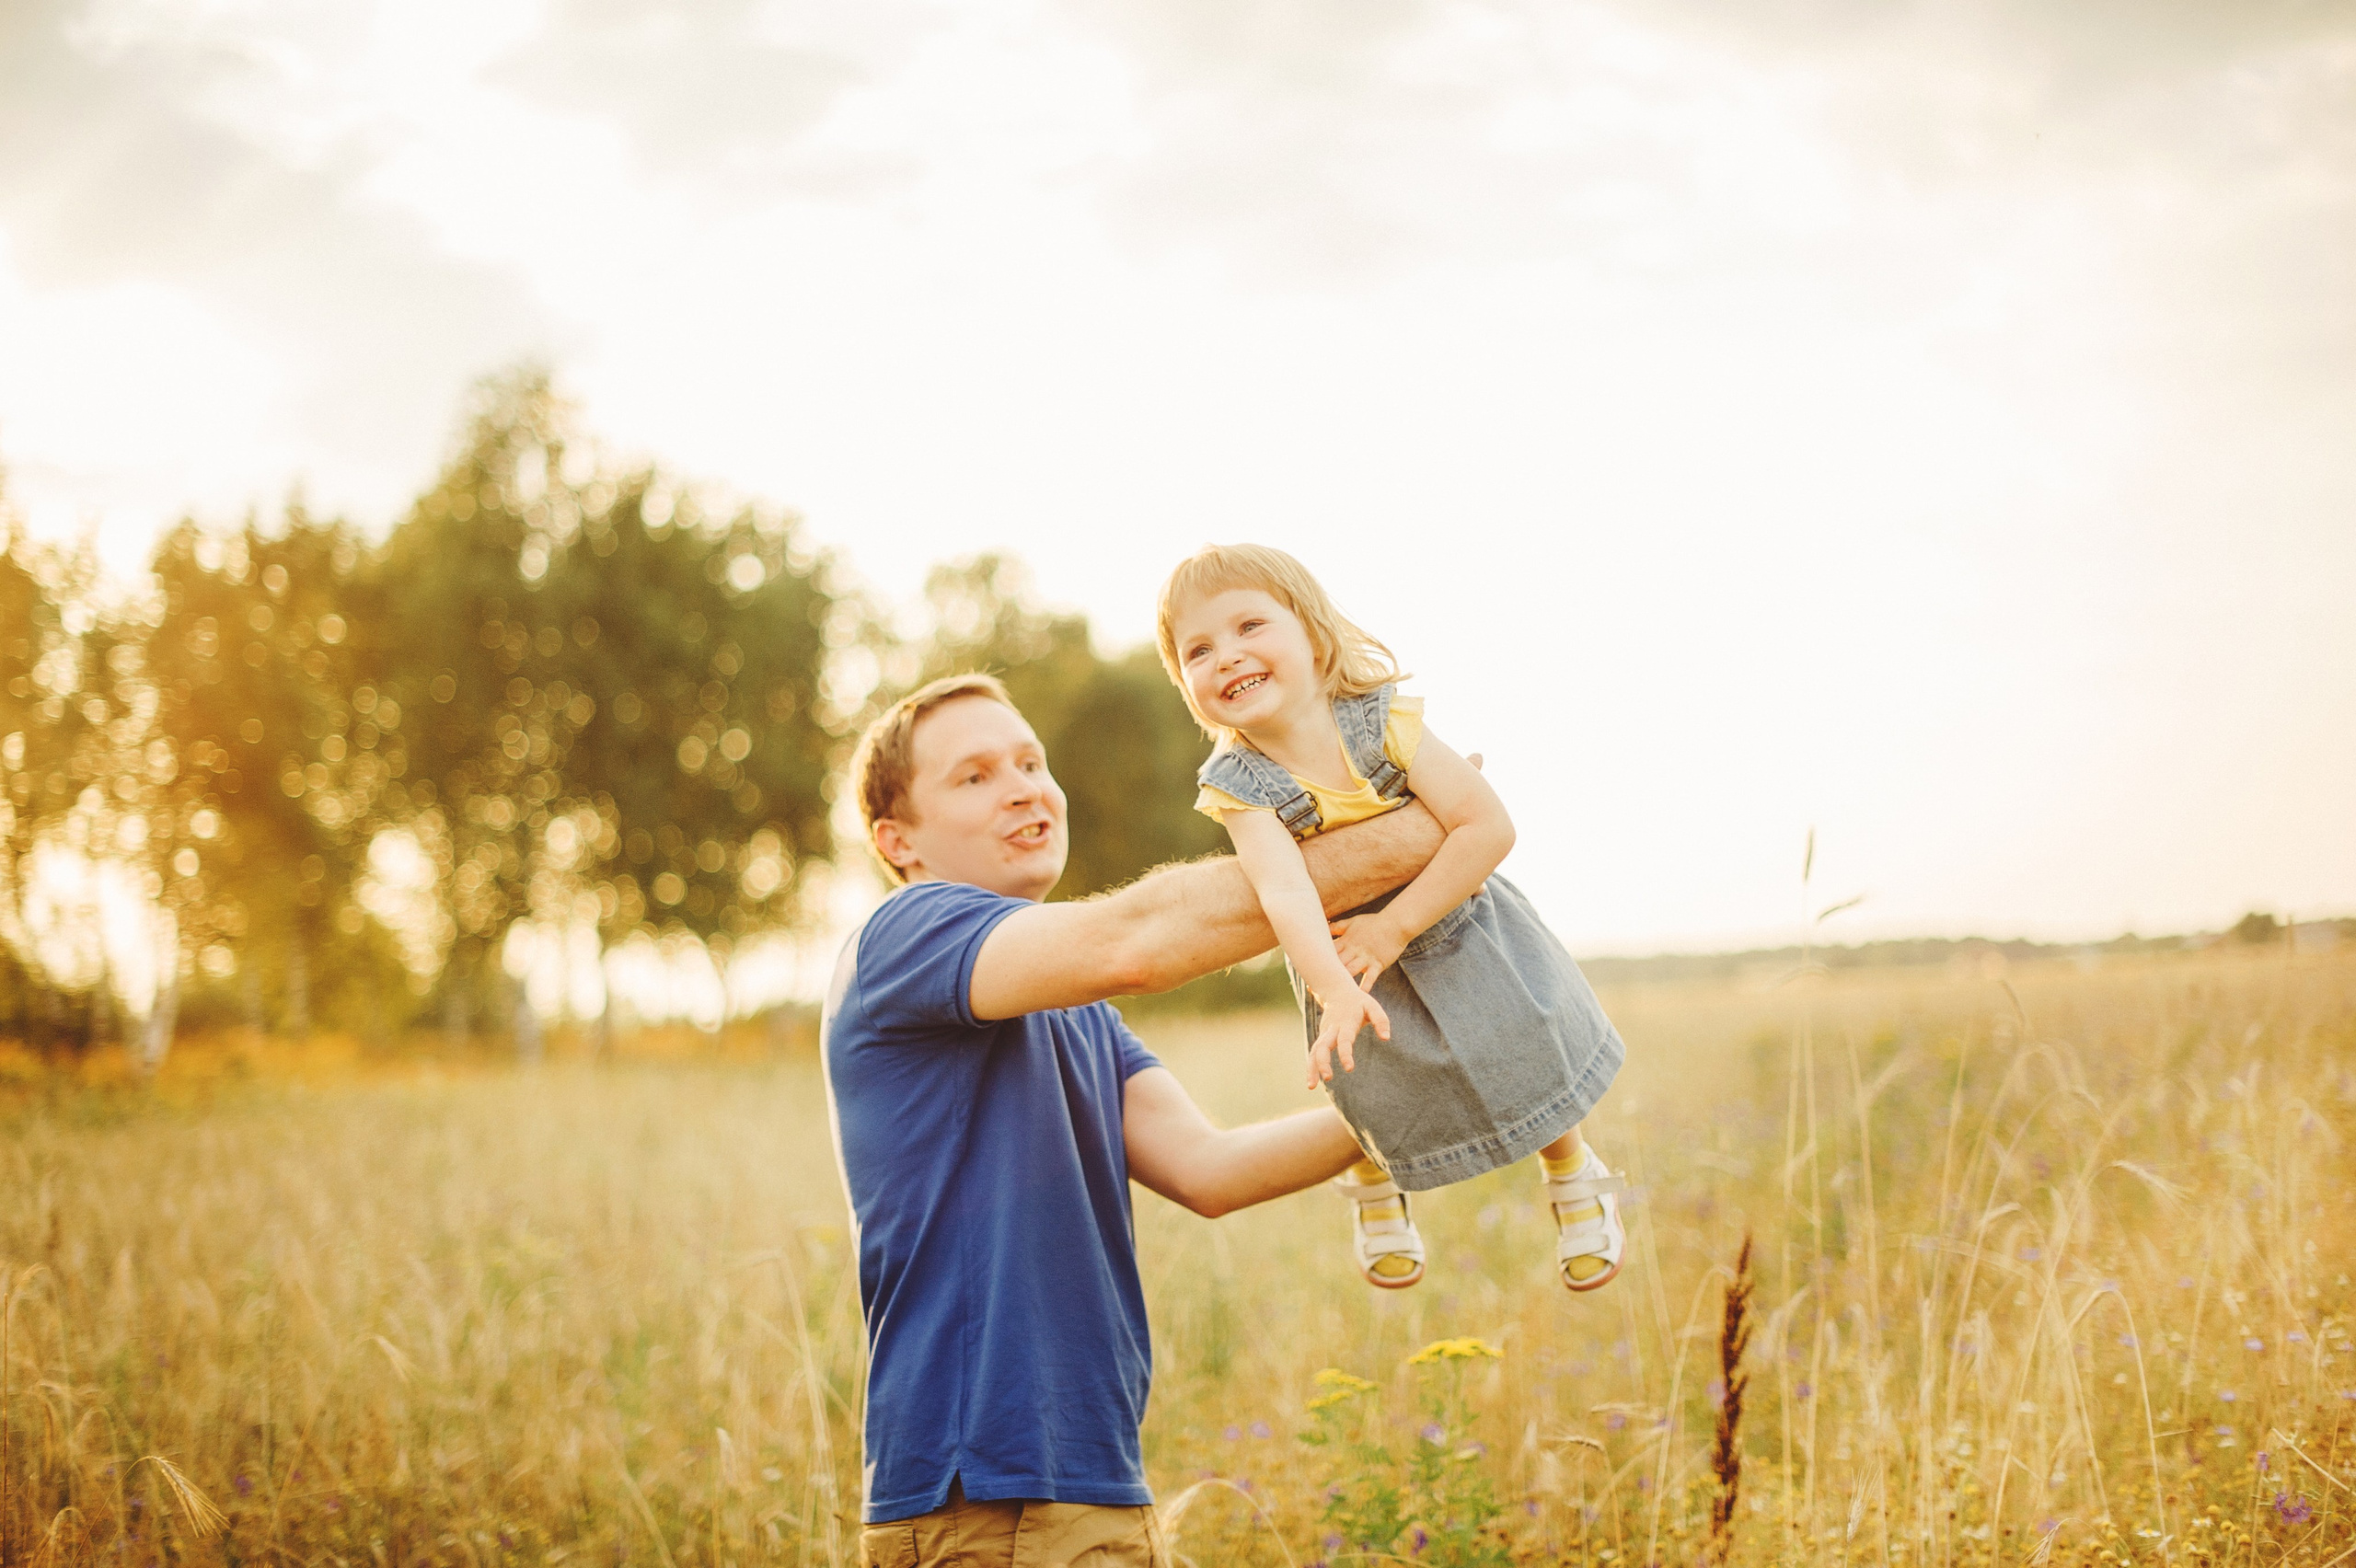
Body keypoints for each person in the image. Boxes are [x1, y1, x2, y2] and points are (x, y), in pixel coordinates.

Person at [825, 671, 1451, 1568]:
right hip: (987, 1501)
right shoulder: (903, 936)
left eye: (1031, 762)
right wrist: (1431, 832)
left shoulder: (1075, 1014)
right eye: (974, 777)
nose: (1023, 788)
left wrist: (1417, 1107)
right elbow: (1142, 937)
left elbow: (1211, 1168)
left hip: (1088, 1487)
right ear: (898, 841)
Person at [1155, 542, 1627, 1295]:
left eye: (1249, 626)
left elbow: (1487, 828)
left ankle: (1571, 1168)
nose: (1227, 656)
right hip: (1340, 955)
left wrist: (1398, 924)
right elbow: (1285, 894)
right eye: (1199, 649)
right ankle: (1378, 1179)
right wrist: (1334, 989)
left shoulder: (1385, 723)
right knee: (1373, 1079)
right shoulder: (1238, 785)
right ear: (1185, 683)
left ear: (1311, 632)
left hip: (1456, 923)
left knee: (1522, 1044)